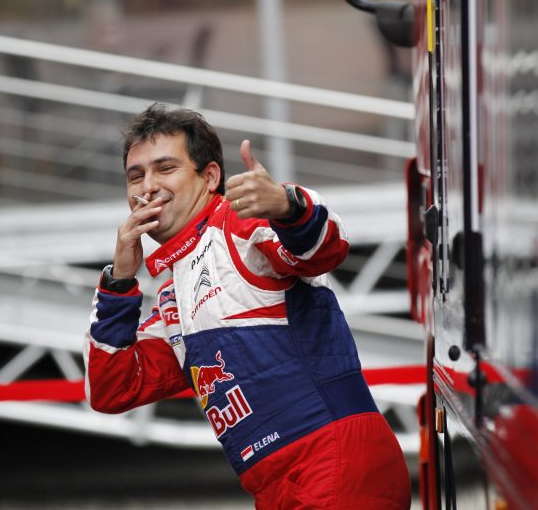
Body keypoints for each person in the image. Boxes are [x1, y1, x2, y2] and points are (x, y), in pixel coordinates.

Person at [84, 103, 411, 509]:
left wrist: (287, 206)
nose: (147, 186)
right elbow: (111, 389)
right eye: (136, 176)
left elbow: (327, 249)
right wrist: (118, 280)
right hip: (278, 485)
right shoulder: (172, 296)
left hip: (333, 463)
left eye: (165, 168)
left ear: (210, 177)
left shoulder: (238, 223)